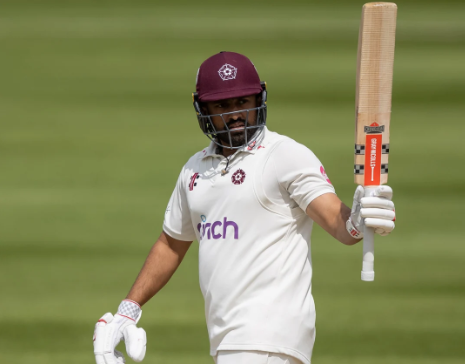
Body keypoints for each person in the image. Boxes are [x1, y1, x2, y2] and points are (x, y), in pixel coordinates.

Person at [93, 52, 396, 364]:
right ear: (203, 109)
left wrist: (357, 222)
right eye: (222, 105)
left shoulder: (284, 155)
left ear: (259, 98)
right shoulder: (194, 170)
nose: (235, 113)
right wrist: (128, 311)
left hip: (269, 336)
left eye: (243, 102)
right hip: (231, 340)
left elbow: (337, 220)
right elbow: (171, 244)